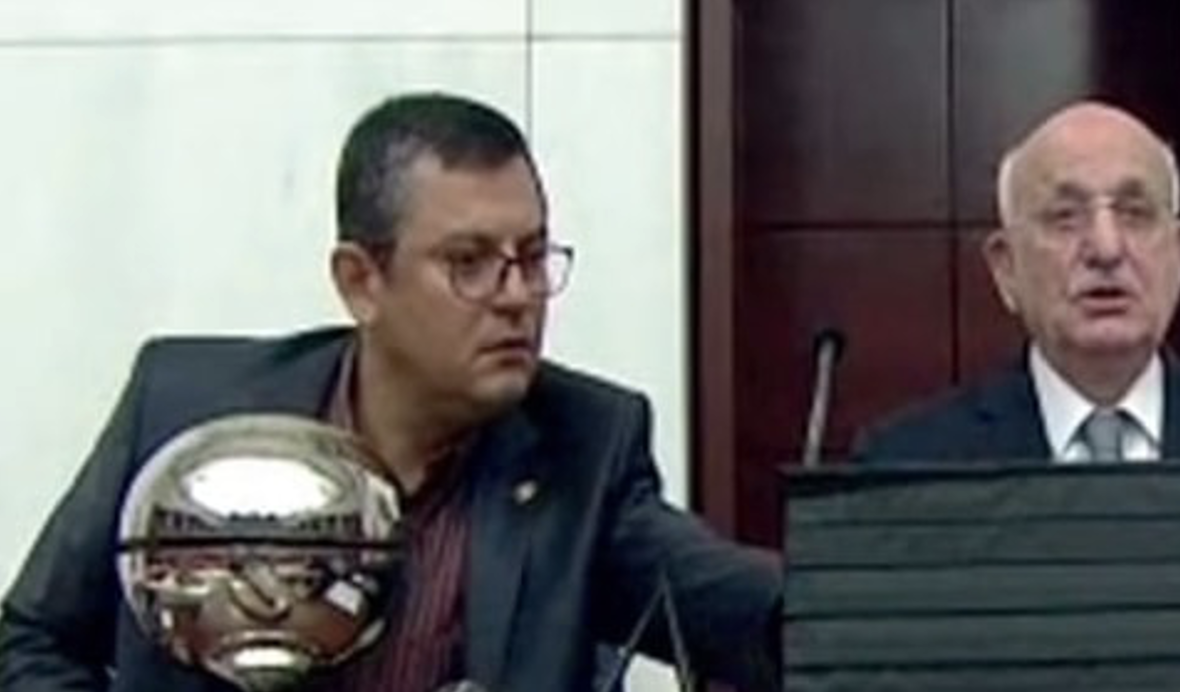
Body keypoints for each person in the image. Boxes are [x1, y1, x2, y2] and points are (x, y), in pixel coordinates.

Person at [0, 92, 781, 692]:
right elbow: (29, 643)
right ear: (360, 281)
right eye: (470, 263)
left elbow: (760, 621)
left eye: (533, 257)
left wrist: (855, 569)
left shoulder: (583, 449)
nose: (518, 296)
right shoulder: (185, 412)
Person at [855, 101, 1180, 464]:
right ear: (1006, 268)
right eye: (1065, 217)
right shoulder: (910, 462)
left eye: (1135, 213)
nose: (1106, 249)